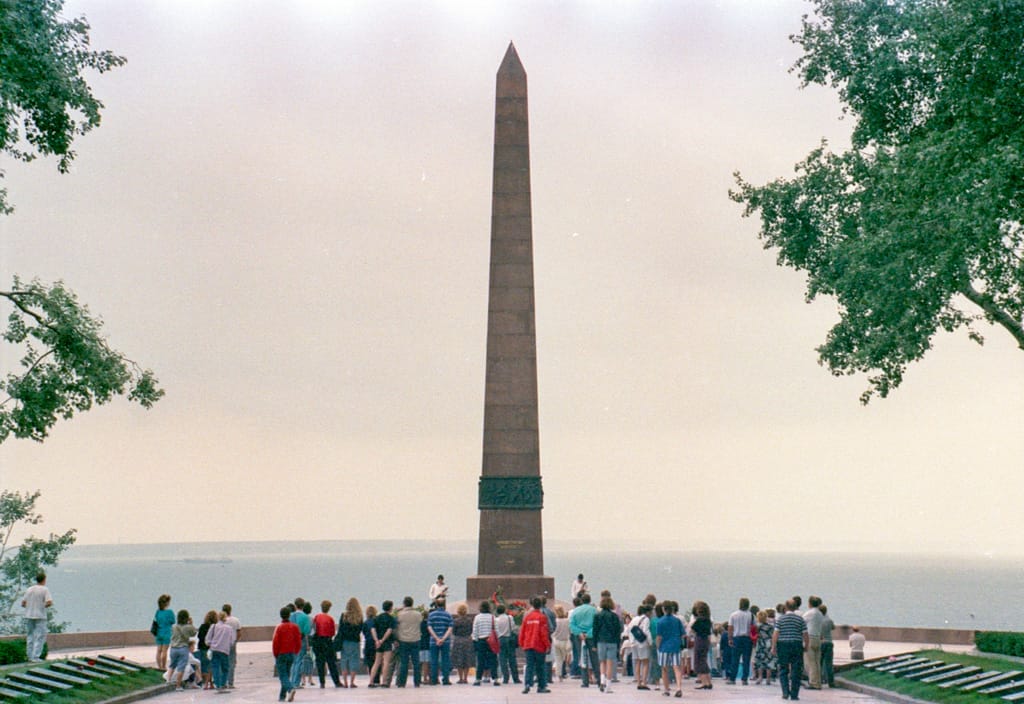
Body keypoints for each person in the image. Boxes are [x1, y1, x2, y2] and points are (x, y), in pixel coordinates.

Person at [771, 600, 808, 701]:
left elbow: (776, 634)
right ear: (795, 608)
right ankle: (794, 694)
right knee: (796, 669)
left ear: (786, 607)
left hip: (783, 645)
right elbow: (805, 634)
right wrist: (806, 645)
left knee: (783, 669)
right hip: (796, 644)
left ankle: (785, 692)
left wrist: (773, 647)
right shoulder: (800, 619)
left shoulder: (780, 619)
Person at [520, 596, 552, 694]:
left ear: (532, 605)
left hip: (528, 644)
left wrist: (522, 643)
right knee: (540, 666)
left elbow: (522, 632)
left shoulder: (527, 617)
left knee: (529, 665)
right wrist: (548, 645)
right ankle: (541, 686)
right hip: (539, 645)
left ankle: (527, 685)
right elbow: (543, 633)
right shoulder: (542, 617)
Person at [594, 595, 623, 693]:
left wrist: (594, 644)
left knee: (602, 662)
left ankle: (602, 681)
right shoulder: (615, 616)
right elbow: (618, 631)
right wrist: (618, 644)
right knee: (610, 663)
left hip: (601, 641)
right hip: (612, 641)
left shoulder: (597, 615)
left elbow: (595, 631)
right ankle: (608, 686)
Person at [21, 571, 52, 663]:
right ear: (44, 580)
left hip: (29, 615)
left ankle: (29, 656)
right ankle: (36, 657)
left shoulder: (29, 589)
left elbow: (23, 603)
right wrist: (42, 606)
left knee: (30, 635)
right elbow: (49, 602)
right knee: (40, 636)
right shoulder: (45, 589)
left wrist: (30, 606)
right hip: (40, 616)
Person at [273, 606, 302, 702]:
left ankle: (290, 689)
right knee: (287, 674)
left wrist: (276, 654)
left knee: (283, 676)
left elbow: (276, 642)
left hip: (281, 654)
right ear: (289, 615)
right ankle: (282, 696)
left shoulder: (280, 628)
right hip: (291, 653)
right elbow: (298, 641)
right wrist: (296, 651)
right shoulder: (295, 627)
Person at [656, 601, 684, 698]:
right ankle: (679, 688)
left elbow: (659, 637)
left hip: (664, 647)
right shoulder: (677, 620)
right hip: (676, 646)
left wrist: (658, 646)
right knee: (676, 667)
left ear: (663, 609)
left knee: (664, 669)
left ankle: (666, 689)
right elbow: (683, 634)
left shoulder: (660, 621)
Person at [311, 600, 342, 688]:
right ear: (329, 608)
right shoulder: (330, 619)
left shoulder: (316, 617)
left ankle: (322, 682)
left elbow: (314, 629)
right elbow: (332, 632)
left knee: (320, 663)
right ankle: (336, 682)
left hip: (318, 642)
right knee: (331, 663)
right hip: (327, 641)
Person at [569, 592, 598, 687]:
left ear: (581, 601)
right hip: (591, 636)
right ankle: (597, 678)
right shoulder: (594, 610)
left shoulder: (575, 611)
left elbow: (572, 624)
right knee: (594, 658)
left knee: (582, 658)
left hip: (579, 637)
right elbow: (597, 624)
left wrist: (579, 633)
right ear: (590, 601)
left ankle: (585, 681)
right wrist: (589, 633)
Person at [394, 596, 423, 687]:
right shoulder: (418, 614)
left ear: (404, 603)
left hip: (403, 640)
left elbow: (396, 626)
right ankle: (417, 682)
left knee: (404, 662)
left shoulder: (400, 614)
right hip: (415, 640)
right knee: (416, 662)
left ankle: (402, 682)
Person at [335, 597, 363, 688]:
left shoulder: (344, 615)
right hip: (355, 641)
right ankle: (352, 682)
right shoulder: (360, 616)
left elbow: (340, 629)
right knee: (354, 661)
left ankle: (345, 682)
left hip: (345, 641)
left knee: (344, 660)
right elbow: (360, 629)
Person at [368, 600, 396, 687]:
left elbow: (372, 629)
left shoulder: (377, 618)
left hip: (378, 643)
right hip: (386, 642)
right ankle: (384, 682)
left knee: (377, 662)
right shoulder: (391, 618)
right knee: (386, 662)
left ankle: (371, 681)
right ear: (390, 608)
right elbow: (389, 630)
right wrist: (382, 640)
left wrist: (377, 640)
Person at [471, 600, 500, 686]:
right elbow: (496, 630)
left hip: (481, 640)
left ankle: (478, 679)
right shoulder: (492, 617)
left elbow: (475, 630)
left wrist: (475, 640)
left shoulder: (477, 617)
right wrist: (497, 639)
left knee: (480, 660)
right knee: (493, 660)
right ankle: (495, 679)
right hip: (491, 641)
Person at [168, 609, 198, 691]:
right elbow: (194, 633)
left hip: (173, 648)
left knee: (172, 665)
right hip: (183, 648)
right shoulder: (188, 627)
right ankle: (178, 686)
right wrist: (191, 623)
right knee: (181, 668)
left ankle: (168, 680)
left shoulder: (173, 626)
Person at [207, 610, 236, 691]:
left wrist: (210, 644)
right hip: (224, 650)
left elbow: (208, 639)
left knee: (215, 667)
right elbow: (232, 640)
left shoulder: (213, 626)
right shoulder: (229, 628)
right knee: (225, 668)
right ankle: (223, 684)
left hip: (214, 649)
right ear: (225, 618)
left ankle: (218, 685)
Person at [727, 597, 754, 684]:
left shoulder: (733, 615)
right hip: (747, 639)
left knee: (735, 659)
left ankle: (732, 678)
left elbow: (730, 628)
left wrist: (730, 639)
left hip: (736, 638)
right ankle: (744, 679)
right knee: (746, 659)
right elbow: (754, 628)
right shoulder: (751, 615)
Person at [426, 599, 453, 685]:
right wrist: (443, 638)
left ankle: (434, 679)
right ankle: (446, 679)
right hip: (446, 641)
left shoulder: (431, 615)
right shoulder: (448, 615)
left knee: (434, 660)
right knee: (445, 660)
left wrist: (436, 638)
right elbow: (450, 628)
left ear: (436, 605)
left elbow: (429, 628)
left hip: (433, 641)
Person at [288, 597, 313, 692]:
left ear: (295, 605)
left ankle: (291, 681)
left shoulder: (291, 616)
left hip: (290, 640)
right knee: (299, 661)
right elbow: (307, 631)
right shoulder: (305, 617)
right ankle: (295, 682)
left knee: (293, 662)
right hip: (300, 640)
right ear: (303, 605)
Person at [628, 604, 652, 690]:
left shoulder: (634, 619)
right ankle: (644, 682)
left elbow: (629, 630)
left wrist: (631, 641)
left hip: (634, 643)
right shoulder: (646, 619)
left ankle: (638, 681)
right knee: (645, 662)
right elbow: (646, 631)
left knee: (637, 662)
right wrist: (650, 642)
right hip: (642, 643)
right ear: (648, 612)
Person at [495, 604, 520, 684]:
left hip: (501, 639)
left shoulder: (496, 620)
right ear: (505, 610)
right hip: (509, 639)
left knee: (502, 659)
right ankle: (516, 678)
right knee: (512, 659)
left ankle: (506, 678)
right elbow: (513, 628)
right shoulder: (510, 618)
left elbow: (496, 631)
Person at [803, 595, 824, 689]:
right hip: (817, 638)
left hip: (810, 638)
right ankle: (818, 682)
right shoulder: (820, 614)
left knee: (810, 662)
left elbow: (801, 622)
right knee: (817, 662)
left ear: (810, 603)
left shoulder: (809, 613)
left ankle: (813, 682)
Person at [691, 600, 713, 690]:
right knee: (704, 660)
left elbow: (692, 629)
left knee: (699, 661)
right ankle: (708, 681)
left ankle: (704, 683)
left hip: (699, 639)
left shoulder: (699, 620)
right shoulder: (708, 620)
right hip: (706, 641)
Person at [450, 602, 474, 684]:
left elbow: (454, 632)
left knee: (459, 659)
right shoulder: (469, 620)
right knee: (467, 659)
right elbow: (471, 630)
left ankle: (460, 678)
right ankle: (466, 678)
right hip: (467, 640)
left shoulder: (456, 621)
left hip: (458, 640)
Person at [153, 594, 175, 671]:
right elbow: (173, 621)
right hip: (166, 632)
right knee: (164, 651)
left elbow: (156, 621)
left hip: (159, 632)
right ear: (167, 603)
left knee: (159, 650)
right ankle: (163, 666)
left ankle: (159, 666)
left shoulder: (158, 612)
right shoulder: (170, 612)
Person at [753, 609, 775, 685]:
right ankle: (768, 679)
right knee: (769, 661)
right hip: (769, 643)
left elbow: (755, 635)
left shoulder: (757, 626)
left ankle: (760, 677)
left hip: (760, 644)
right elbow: (773, 636)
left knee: (760, 661)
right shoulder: (771, 626)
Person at [197, 610, 218, 690]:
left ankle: (206, 683)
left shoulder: (203, 626)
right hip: (211, 648)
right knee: (211, 666)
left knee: (204, 666)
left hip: (202, 648)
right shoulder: (215, 627)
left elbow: (199, 636)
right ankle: (210, 683)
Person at [223, 603, 241, 689]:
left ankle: (223, 682)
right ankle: (231, 682)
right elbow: (239, 633)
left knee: (223, 663)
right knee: (231, 663)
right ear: (230, 610)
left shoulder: (222, 621)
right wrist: (235, 641)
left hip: (222, 644)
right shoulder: (235, 620)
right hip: (232, 643)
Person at [553, 605, 572, 681]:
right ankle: (563, 672)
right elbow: (570, 631)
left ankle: (559, 675)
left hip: (556, 641)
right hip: (565, 641)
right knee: (563, 658)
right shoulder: (567, 621)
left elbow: (554, 631)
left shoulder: (555, 621)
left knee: (558, 659)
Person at [819, 604, 835, 686]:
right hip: (829, 642)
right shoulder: (829, 620)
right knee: (829, 663)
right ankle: (831, 681)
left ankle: (819, 680)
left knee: (819, 663)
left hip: (820, 642)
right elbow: (833, 627)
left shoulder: (818, 620)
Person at [362, 604, 378, 682]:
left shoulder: (365, 622)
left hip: (368, 643)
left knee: (369, 662)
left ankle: (371, 678)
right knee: (377, 661)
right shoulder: (377, 621)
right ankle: (377, 679)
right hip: (376, 643)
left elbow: (364, 633)